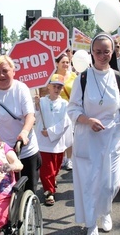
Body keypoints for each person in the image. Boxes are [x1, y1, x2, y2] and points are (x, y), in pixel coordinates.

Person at [67, 33, 120, 235]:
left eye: (106, 51)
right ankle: (90, 223)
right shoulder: (83, 78)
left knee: (111, 184)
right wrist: (88, 121)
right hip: (88, 139)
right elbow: (72, 109)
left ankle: (105, 211)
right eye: (98, 52)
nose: (102, 55)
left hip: (113, 138)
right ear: (91, 53)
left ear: (112, 52)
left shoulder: (119, 78)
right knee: (89, 183)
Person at [0, 55, 41, 193]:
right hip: (0, 153)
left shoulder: (21, 89)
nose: (1, 75)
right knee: (2, 193)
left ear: (13, 71)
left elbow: (30, 115)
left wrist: (24, 132)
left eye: (5, 70)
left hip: (24, 151)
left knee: (26, 191)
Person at [34, 74, 73, 206]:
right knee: (46, 169)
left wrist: (50, 132)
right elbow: (36, 117)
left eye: (59, 87)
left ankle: (51, 181)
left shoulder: (64, 104)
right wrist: (37, 106)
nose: (56, 89)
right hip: (43, 143)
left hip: (57, 142)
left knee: (55, 168)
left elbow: (66, 122)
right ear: (48, 87)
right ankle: (49, 192)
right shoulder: (42, 101)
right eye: (54, 86)